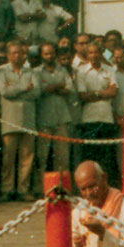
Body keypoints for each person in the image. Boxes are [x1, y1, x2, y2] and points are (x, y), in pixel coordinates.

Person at [0, 42, 38, 201]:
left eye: (20, 53)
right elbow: (4, 91)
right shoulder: (1, 71)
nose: (17, 56)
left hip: (28, 121)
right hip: (10, 121)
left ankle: (23, 190)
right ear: (8, 55)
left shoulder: (31, 71)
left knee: (27, 158)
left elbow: (37, 92)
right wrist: (25, 88)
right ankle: (7, 189)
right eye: (13, 53)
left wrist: (15, 88)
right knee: (8, 158)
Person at [73, 40, 120, 171]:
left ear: (101, 54)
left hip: (106, 117)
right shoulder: (81, 71)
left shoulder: (110, 70)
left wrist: (95, 93)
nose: (93, 55)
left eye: (96, 52)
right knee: (90, 155)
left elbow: (114, 92)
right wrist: (104, 92)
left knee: (106, 155)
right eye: (90, 53)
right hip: (89, 118)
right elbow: (83, 95)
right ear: (87, 55)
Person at [35, 43, 75, 183]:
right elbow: (40, 90)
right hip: (43, 118)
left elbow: (69, 88)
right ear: (41, 55)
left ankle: (62, 186)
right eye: (46, 54)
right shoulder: (36, 72)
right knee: (42, 157)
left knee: (62, 156)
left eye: (52, 53)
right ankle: (39, 187)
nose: (50, 56)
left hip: (61, 117)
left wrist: (51, 88)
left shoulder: (62, 70)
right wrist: (58, 86)